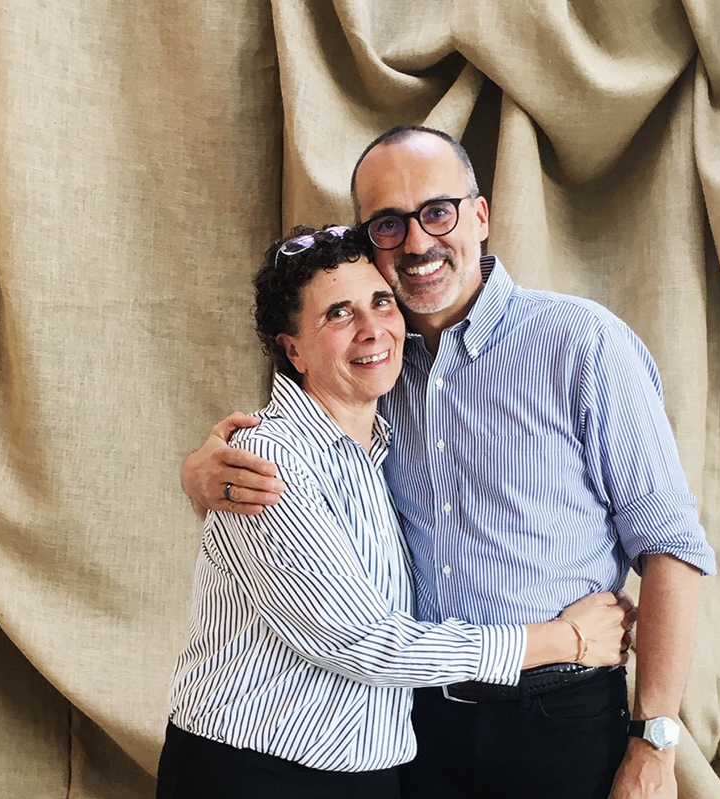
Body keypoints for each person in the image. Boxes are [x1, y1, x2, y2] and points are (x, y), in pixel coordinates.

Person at [182, 127, 718, 799]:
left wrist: (655, 742)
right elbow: (293, 469)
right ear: (368, 239)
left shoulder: (584, 344)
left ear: (480, 215)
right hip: (414, 723)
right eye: (387, 224)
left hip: (557, 716)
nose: (415, 242)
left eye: (437, 211)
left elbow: (670, 545)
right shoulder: (376, 362)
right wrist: (200, 474)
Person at [159, 224, 635, 799]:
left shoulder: (380, 448)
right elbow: (361, 641)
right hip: (259, 772)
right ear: (293, 350)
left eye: (381, 301)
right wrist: (565, 640)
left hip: (373, 772)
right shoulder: (265, 460)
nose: (371, 329)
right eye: (338, 314)